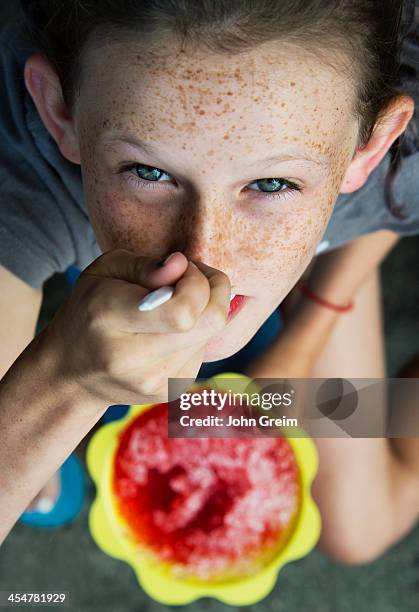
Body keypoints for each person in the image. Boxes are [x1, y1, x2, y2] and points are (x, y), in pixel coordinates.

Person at [1, 0, 419, 563]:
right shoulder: (19, 168)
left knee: (359, 530)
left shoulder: (402, 174)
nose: (204, 262)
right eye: (148, 172)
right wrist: (65, 382)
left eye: (272, 183)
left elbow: (383, 211)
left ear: (369, 148)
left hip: (340, 244)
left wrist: (310, 332)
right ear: (59, 112)